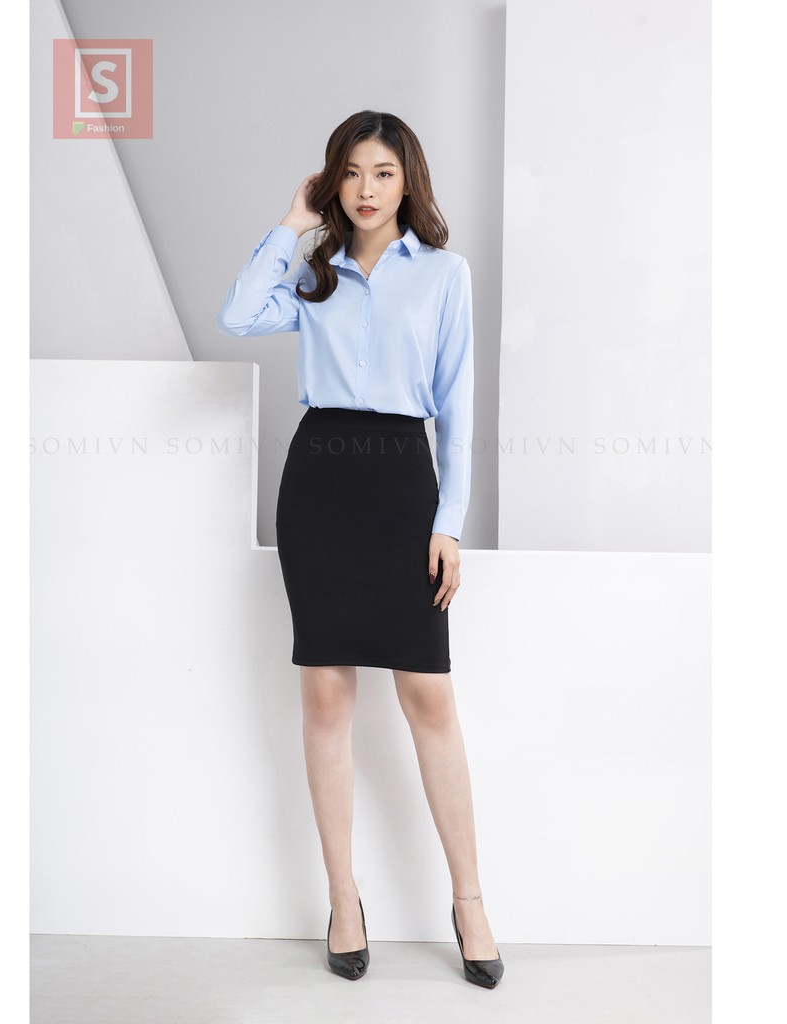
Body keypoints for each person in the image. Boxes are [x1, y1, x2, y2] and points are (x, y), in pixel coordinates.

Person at [215, 110, 502, 989]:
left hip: (403, 482)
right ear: (331, 182)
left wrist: (449, 520)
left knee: (429, 696)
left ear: (408, 181)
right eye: (350, 172)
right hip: (321, 483)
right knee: (327, 696)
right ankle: (343, 898)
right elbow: (237, 316)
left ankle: (470, 901)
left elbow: (458, 403)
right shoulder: (314, 276)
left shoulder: (444, 274)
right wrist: (291, 224)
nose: (366, 190)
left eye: (383, 173)